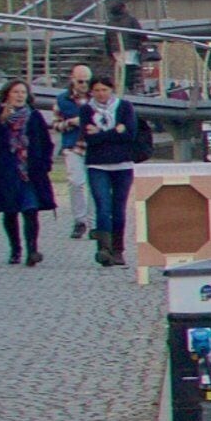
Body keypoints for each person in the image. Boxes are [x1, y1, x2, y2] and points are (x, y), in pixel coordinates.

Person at [0, 78, 56, 266]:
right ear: (7, 95)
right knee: (10, 212)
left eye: (23, 92)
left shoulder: (35, 117)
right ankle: (15, 249)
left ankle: (32, 249)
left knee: (30, 210)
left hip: (30, 172)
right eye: (16, 92)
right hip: (6, 173)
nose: (20, 96)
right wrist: (2, 120)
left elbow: (46, 143)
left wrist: (45, 164)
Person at [75, 77, 150, 267]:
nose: (101, 94)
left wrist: (101, 133)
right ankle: (104, 248)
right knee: (102, 206)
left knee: (119, 209)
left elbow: (129, 134)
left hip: (122, 165)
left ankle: (118, 249)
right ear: (91, 92)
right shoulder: (86, 110)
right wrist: (115, 132)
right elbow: (89, 139)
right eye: (97, 90)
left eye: (105, 90)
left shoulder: (124, 107)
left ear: (112, 90)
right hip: (97, 164)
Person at [54, 62, 94, 238]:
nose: (84, 85)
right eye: (80, 82)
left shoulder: (97, 96)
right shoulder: (62, 100)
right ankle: (80, 220)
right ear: (72, 80)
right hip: (73, 145)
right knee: (76, 182)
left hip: (94, 146)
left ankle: (94, 223)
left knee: (95, 186)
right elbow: (55, 125)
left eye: (87, 81)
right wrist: (71, 122)